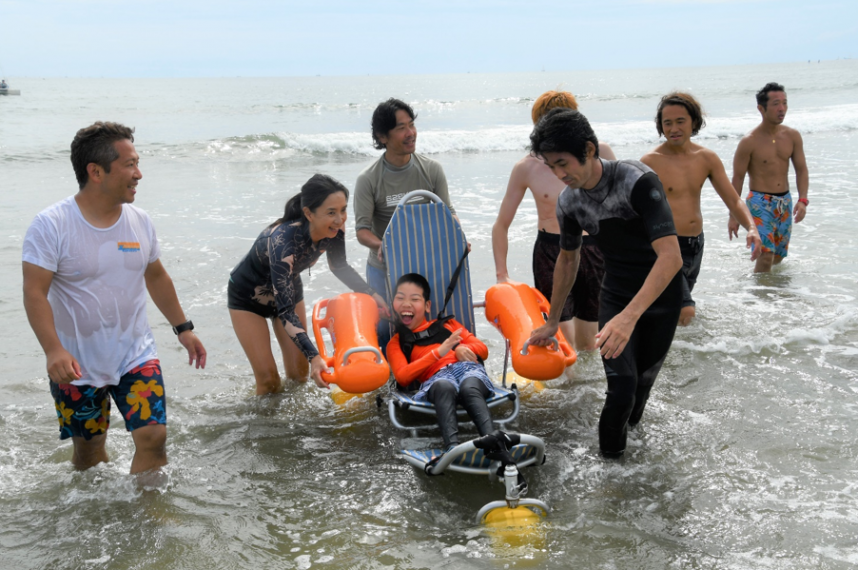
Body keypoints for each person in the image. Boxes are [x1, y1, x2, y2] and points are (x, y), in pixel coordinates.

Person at [22, 122, 207, 476]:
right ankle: (97, 516)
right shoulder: (51, 225)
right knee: (90, 455)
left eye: (137, 163)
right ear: (96, 172)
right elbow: (34, 292)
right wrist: (53, 350)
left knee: (154, 436)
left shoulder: (140, 221)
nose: (139, 174)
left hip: (135, 353)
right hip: (76, 364)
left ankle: (151, 518)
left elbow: (155, 275)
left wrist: (183, 328)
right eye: (129, 164)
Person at [528, 109, 683, 458]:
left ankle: (635, 472)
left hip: (662, 297)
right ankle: (610, 476)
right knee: (622, 387)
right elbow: (569, 259)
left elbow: (671, 257)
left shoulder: (637, 180)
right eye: (551, 166)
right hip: (615, 294)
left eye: (563, 163)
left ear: (588, 148)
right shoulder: (570, 202)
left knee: (641, 388)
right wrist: (553, 322)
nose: (559, 174)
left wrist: (630, 318)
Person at [228, 174, 389, 395]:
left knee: (299, 375)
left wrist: (372, 293)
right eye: (331, 212)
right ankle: (265, 428)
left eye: (343, 210)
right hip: (247, 300)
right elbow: (285, 311)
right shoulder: (283, 242)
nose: (340, 219)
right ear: (308, 213)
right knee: (269, 381)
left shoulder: (335, 230)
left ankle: (297, 427)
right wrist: (315, 356)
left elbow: (339, 266)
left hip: (289, 291)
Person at [493, 90, 617, 352]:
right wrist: (501, 275)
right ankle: (566, 385)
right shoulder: (526, 167)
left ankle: (588, 391)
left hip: (594, 249)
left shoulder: (599, 152)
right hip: (551, 251)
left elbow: (622, 208)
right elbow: (501, 224)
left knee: (589, 341)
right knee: (562, 336)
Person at [641, 92, 762, 325]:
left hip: (695, 245)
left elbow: (733, 199)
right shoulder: (650, 162)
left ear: (693, 122)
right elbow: (632, 207)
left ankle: (670, 354)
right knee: (686, 311)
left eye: (680, 121)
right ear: (660, 126)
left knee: (673, 309)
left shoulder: (706, 158)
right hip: (666, 246)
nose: (674, 128)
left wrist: (751, 228)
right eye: (667, 123)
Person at [354, 98, 457, 350]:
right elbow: (362, 231)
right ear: (382, 136)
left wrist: (458, 238)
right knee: (386, 334)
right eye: (401, 128)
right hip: (384, 270)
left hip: (426, 267)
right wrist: (383, 245)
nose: (410, 133)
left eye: (411, 125)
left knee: (433, 329)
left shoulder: (431, 170)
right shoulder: (369, 179)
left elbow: (449, 215)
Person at [387, 273, 495, 452]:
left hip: (467, 368)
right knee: (444, 386)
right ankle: (452, 448)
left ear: (427, 306)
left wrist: (459, 349)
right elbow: (403, 377)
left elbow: (483, 349)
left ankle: (492, 441)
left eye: (414, 299)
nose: (406, 304)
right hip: (437, 378)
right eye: (400, 298)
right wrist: (438, 353)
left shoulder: (449, 324)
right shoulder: (397, 343)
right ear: (394, 305)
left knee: (470, 387)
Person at [730, 82, 809, 273]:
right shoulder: (749, 141)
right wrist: (733, 215)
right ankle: (758, 301)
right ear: (761, 108)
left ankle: (769, 294)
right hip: (759, 202)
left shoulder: (792, 136)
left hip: (785, 202)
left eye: (784, 103)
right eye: (775, 103)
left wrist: (803, 200)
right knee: (766, 254)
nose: (782, 108)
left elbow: (801, 170)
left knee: (778, 256)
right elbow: (737, 179)